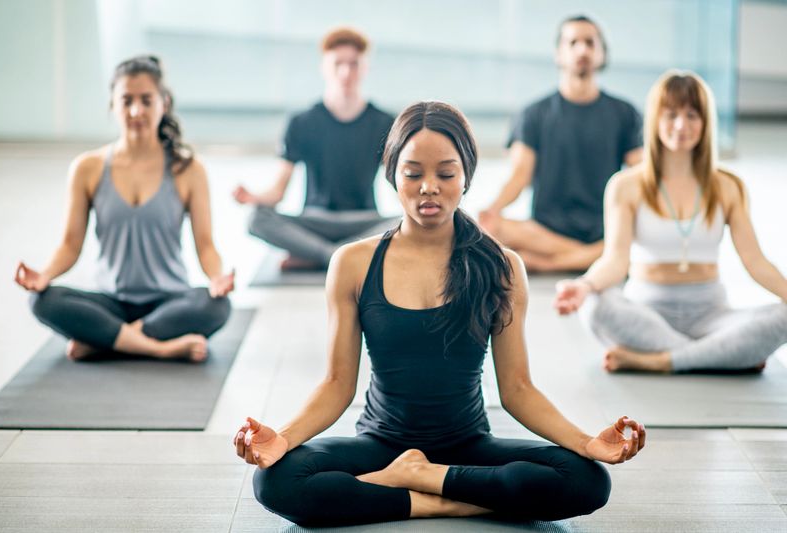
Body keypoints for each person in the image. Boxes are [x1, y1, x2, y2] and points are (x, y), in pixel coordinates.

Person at [233, 101, 645, 527]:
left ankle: (419, 480)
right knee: (274, 481)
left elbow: (518, 389)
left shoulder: (502, 266)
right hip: (380, 445)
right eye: (413, 173)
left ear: (466, 177)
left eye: (446, 174)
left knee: (587, 479)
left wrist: (586, 442)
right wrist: (281, 439)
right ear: (392, 174)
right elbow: (337, 385)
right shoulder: (352, 263)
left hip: (467, 446)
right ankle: (445, 498)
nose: (429, 186)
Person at [554, 71, 787, 373]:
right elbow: (615, 260)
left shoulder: (728, 186)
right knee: (594, 306)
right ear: (655, 120)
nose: (681, 125)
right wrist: (584, 286)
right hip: (647, 314)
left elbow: (755, 261)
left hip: (711, 314)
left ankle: (658, 360)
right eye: (671, 114)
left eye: (692, 115)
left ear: (705, 123)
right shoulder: (625, 186)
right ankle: (721, 357)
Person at [14, 55, 234, 363]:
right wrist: (45, 275)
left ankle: (105, 340)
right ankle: (158, 347)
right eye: (126, 101)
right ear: (112, 105)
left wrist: (216, 278)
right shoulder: (87, 168)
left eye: (146, 100)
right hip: (110, 301)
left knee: (217, 306)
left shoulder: (188, 169)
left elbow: (206, 245)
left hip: (169, 300)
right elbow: (69, 244)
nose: (136, 111)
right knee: (42, 301)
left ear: (164, 103)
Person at [479, 15, 643, 272]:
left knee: (643, 234)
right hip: (545, 232)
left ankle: (547, 264)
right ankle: (594, 259)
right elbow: (519, 176)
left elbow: (640, 176)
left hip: (604, 227)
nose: (582, 50)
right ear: (559, 54)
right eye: (573, 42)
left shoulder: (624, 113)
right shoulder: (533, 114)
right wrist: (492, 209)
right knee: (491, 229)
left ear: (602, 54)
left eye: (590, 43)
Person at [233, 27, 398, 270]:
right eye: (338, 63)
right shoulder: (302, 122)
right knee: (257, 218)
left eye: (353, 64)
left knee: (410, 221)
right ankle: (341, 255)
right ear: (324, 66)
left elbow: (400, 186)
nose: (345, 72)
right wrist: (253, 198)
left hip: (364, 222)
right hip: (314, 220)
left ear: (365, 68)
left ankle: (315, 255)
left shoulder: (385, 123)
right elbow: (278, 192)